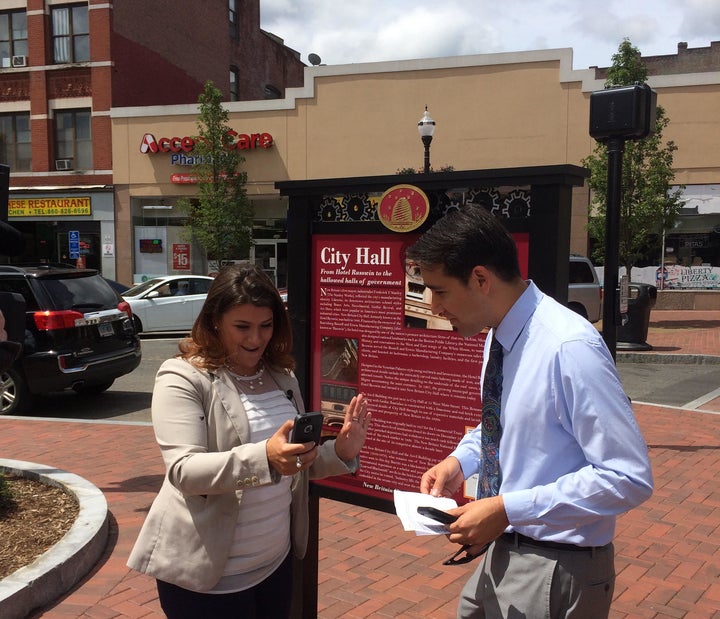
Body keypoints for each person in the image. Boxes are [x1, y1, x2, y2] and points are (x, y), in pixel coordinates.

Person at [407, 206, 653, 619]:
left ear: (481, 279)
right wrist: (459, 462)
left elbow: (628, 477)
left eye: (441, 291)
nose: (434, 306)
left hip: (556, 566)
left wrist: (506, 509)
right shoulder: (500, 335)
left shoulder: (568, 347)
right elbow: (502, 426)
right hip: (504, 550)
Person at [127, 262, 370, 618]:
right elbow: (184, 471)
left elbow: (295, 461)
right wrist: (266, 458)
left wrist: (342, 451)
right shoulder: (183, 377)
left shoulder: (282, 377)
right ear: (214, 322)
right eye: (242, 327)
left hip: (274, 562)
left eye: (265, 326)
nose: (255, 338)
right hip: (209, 576)